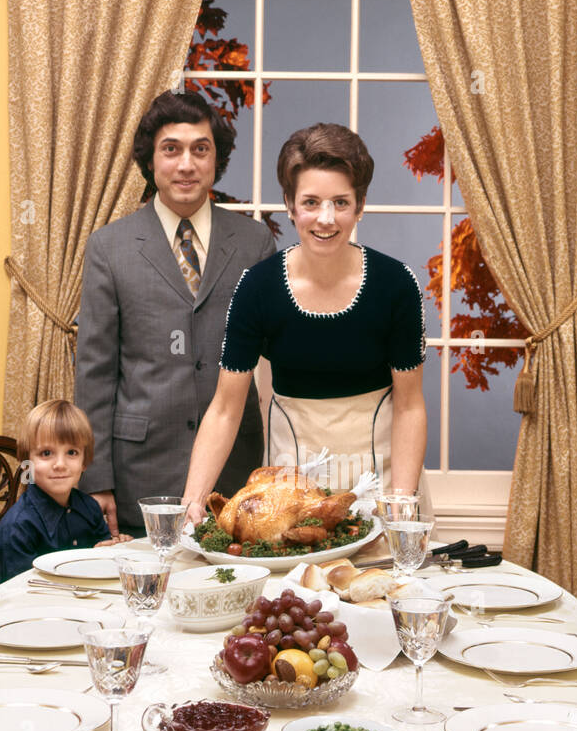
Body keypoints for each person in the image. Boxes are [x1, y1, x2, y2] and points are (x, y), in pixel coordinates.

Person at [182, 122, 428, 522]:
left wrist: (400, 503)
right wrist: (191, 501)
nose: (325, 219)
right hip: (288, 494)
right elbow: (225, 409)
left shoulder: (396, 285)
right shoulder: (257, 288)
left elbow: (409, 406)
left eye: (341, 203)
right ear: (290, 204)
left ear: (360, 205)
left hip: (385, 485)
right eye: (311, 202)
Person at [75, 89, 275, 539]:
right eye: (172, 149)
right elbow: (94, 372)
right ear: (150, 161)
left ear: (215, 160)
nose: (186, 164)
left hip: (236, 474)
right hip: (140, 477)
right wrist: (96, 480)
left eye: (200, 149)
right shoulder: (109, 247)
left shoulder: (253, 244)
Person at [0, 399, 129, 580]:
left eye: (71, 453)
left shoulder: (90, 507)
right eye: (46, 453)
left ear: (85, 461)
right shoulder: (17, 528)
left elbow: (101, 560)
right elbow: (20, 594)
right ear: (27, 462)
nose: (60, 465)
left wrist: (116, 551)